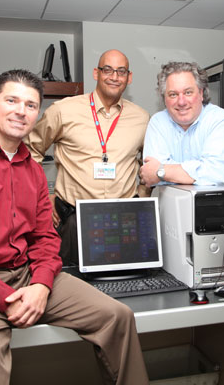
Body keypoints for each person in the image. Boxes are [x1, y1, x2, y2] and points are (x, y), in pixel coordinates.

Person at [0, 69, 149, 385]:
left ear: (37, 113)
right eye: (11, 100)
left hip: (25, 275)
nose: (20, 111)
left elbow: (44, 237)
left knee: (117, 316)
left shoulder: (33, 170)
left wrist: (41, 285)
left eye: (30, 105)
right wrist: (5, 297)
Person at [26, 50, 149, 265]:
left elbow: (147, 164)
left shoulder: (141, 118)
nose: (114, 77)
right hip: (75, 221)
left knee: (125, 285)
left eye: (121, 71)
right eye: (107, 70)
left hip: (123, 221)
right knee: (73, 288)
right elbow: (30, 150)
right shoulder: (63, 110)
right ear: (96, 73)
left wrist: (141, 198)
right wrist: (44, 194)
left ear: (129, 77)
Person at [139, 61, 224, 188]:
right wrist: (199, 170)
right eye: (173, 94)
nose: (181, 102)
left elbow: (217, 175)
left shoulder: (220, 120)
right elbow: (150, 174)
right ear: (164, 98)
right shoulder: (158, 122)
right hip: (169, 205)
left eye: (188, 92)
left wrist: (161, 171)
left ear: (201, 93)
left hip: (213, 205)